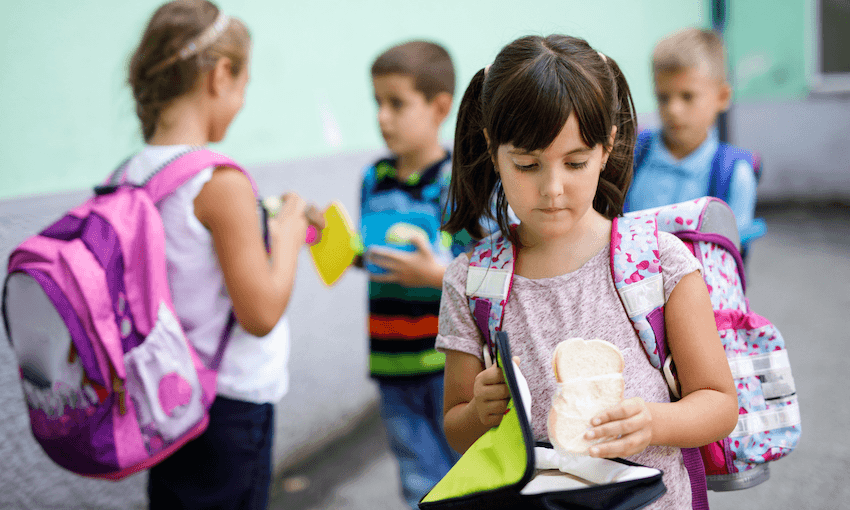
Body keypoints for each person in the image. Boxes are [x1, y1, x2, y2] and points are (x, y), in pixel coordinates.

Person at [437, 34, 739, 509]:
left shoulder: (659, 262)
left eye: (575, 162)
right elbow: (456, 429)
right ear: (493, 149)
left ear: (607, 146)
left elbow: (719, 403)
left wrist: (653, 422)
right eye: (527, 164)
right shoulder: (472, 281)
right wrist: (479, 410)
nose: (552, 188)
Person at [126, 1, 322, 508]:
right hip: (226, 403)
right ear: (220, 76)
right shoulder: (219, 180)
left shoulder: (132, 173)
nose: (241, 101)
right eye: (243, 85)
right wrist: (287, 234)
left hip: (162, 394)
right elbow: (260, 314)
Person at [356, 40, 462, 508]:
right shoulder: (373, 177)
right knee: (419, 481)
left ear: (439, 107)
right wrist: (331, 241)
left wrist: (435, 274)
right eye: (377, 102)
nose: (383, 117)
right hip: (391, 362)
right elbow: (370, 254)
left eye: (396, 103)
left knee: (467, 476)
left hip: (448, 364)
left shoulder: (457, 181)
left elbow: (480, 270)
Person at [624, 28, 761, 254]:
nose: (673, 109)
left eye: (688, 96)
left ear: (722, 97)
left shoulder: (734, 174)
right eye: (663, 97)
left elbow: (730, 258)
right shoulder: (631, 154)